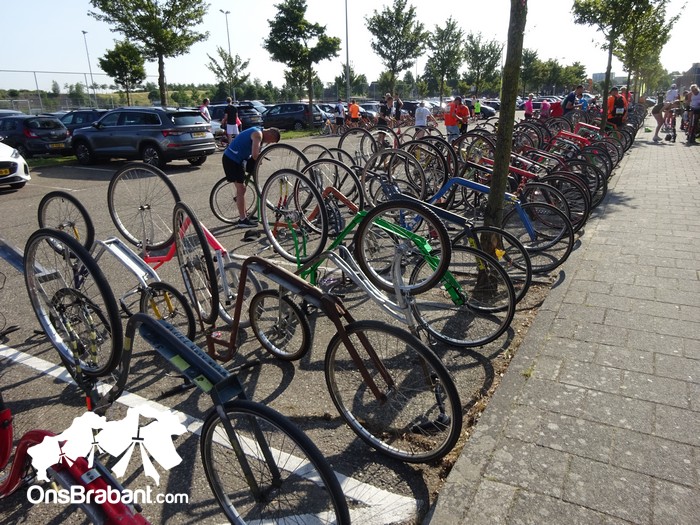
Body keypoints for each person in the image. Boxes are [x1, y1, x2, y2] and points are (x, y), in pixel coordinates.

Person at [222, 126, 281, 227]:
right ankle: (242, 220)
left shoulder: (258, 130)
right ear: (270, 134)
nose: (269, 143)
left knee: (243, 189)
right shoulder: (258, 135)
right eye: (271, 141)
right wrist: (260, 158)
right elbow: (255, 155)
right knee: (241, 189)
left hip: (237, 160)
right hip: (231, 160)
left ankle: (244, 214)